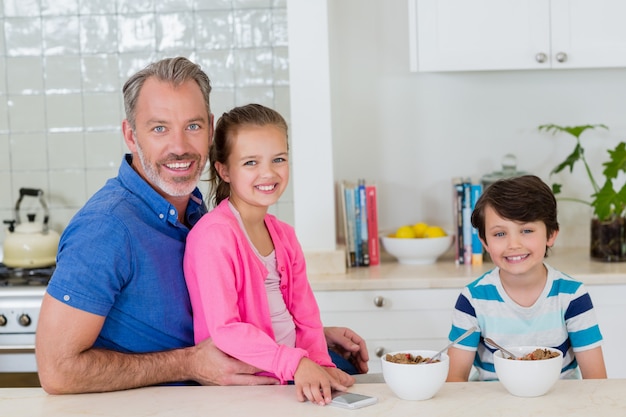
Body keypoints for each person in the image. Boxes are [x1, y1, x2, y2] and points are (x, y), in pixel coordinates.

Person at [35, 57, 368, 395]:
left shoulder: (192, 208)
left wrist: (300, 338)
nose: (179, 146)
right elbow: (57, 371)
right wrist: (190, 362)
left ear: (210, 129)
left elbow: (219, 312)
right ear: (130, 135)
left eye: (192, 126)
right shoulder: (106, 228)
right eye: (159, 128)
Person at [184, 104, 353, 406]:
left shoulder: (284, 235)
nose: (269, 172)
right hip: (246, 388)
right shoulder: (214, 237)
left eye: (279, 159)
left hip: (290, 377)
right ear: (224, 170)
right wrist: (297, 364)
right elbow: (226, 330)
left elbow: (306, 317)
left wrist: (321, 364)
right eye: (251, 162)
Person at [446, 175, 607, 382]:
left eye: (527, 230)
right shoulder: (473, 299)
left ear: (551, 235)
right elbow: (454, 381)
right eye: (500, 234)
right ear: (484, 242)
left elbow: (596, 380)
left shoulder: (572, 296)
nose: (514, 244)